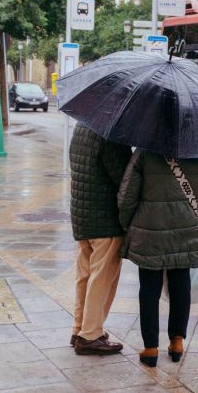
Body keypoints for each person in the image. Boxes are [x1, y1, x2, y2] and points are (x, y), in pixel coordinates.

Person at [118, 150, 198, 367]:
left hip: (150, 230)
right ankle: (177, 342)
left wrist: (128, 223)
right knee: (181, 283)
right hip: (185, 229)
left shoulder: (144, 153)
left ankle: (150, 348)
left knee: (149, 288)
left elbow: (127, 196)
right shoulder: (196, 153)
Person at [69, 124, 133, 355]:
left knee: (85, 275)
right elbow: (125, 179)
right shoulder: (112, 134)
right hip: (105, 219)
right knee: (102, 278)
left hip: (82, 216)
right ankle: (90, 335)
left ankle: (80, 329)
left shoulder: (82, 125)